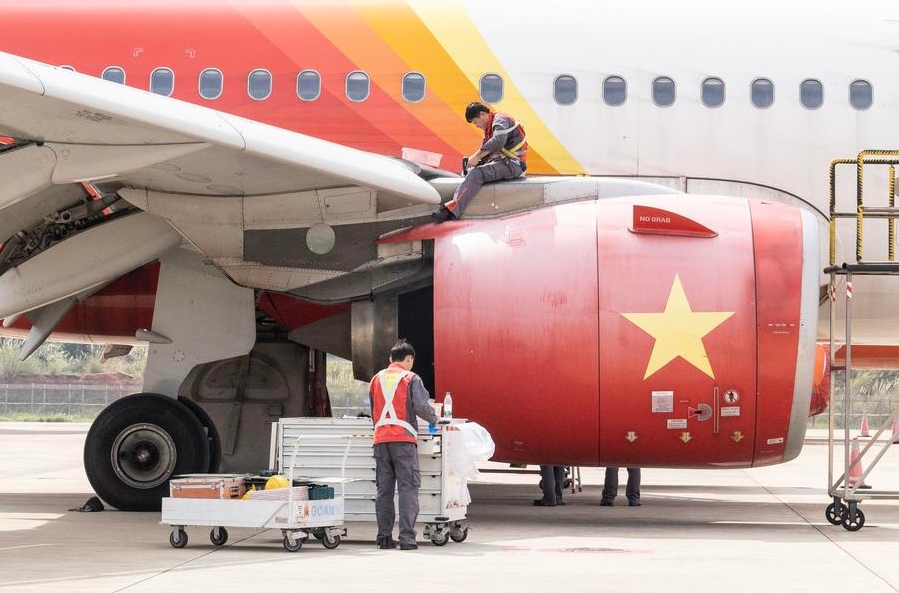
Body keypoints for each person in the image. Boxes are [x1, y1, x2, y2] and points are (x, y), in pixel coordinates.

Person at [369, 339, 440, 550]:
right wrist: (436, 418)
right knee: (408, 489)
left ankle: (383, 538)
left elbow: (374, 411)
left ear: (391, 359)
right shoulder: (411, 378)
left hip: (380, 441)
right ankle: (407, 539)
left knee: (384, 491)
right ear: (409, 359)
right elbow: (421, 407)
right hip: (404, 441)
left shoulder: (376, 379)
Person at [432, 101, 527, 222]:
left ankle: (450, 211)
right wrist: (473, 164)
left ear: (482, 114)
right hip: (506, 163)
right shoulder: (490, 129)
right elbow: (486, 151)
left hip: (513, 165)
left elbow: (498, 141)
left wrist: (476, 157)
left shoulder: (500, 120)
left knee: (477, 174)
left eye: (476, 122)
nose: (477, 126)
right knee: (473, 171)